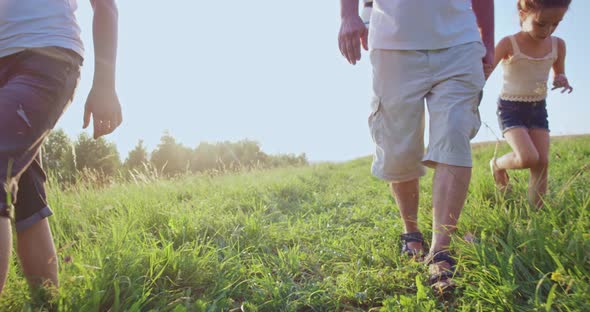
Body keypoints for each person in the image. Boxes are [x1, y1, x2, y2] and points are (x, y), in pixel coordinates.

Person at [338, 0, 494, 290]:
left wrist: (488, 41)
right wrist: (349, 14)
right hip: (392, 43)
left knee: (453, 134)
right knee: (398, 148)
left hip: (460, 43)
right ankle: (411, 232)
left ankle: (440, 250)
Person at [0, 0, 122, 298]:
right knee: (26, 195)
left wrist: (105, 84)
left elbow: (105, 5)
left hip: (47, 57)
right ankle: (47, 305)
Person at [488, 0, 572, 209]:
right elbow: (485, 71)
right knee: (527, 157)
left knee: (542, 162)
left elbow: (558, 72)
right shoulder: (509, 43)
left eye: (556, 24)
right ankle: (497, 165)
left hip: (537, 108)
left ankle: (537, 215)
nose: (548, 30)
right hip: (510, 108)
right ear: (523, 13)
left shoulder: (558, 45)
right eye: (541, 24)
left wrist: (561, 79)